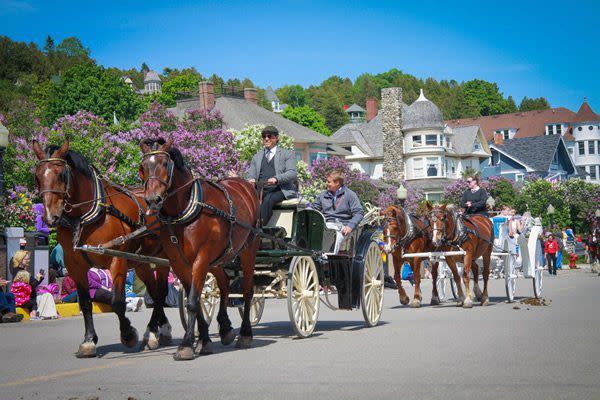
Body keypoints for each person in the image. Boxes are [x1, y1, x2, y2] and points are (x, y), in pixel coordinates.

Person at [247, 125, 298, 226]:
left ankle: (259, 228)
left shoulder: (287, 154)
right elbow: (250, 175)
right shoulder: (256, 156)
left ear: (276, 138)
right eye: (264, 136)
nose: (266, 138)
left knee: (268, 199)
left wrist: (276, 178)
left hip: (280, 189)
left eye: (269, 136)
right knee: (243, 198)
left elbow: (292, 173)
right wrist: (250, 179)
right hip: (260, 189)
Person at [312, 171, 364, 254]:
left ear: (337, 183)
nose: (326, 184)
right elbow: (314, 210)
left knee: (335, 235)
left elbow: (359, 213)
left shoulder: (350, 195)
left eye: (329, 182)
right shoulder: (322, 195)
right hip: (326, 224)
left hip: (342, 226)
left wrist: (350, 226)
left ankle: (328, 257)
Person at [10, 250, 42, 318]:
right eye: (26, 259)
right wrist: (39, 278)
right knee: (34, 303)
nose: (29, 260)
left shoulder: (16, 270)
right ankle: (34, 314)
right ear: (20, 260)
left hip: (20, 300)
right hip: (25, 300)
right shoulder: (22, 273)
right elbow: (32, 285)